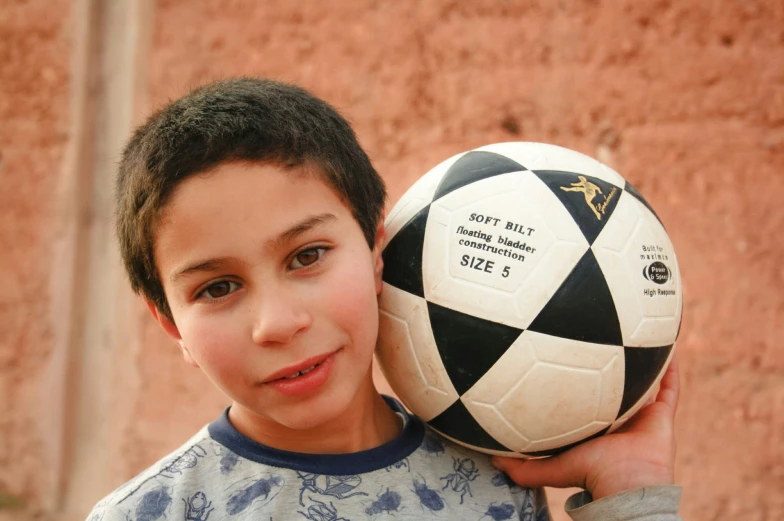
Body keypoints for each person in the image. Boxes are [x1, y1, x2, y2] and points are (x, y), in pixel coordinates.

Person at [88, 77, 682, 521]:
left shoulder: (496, 479)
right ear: (170, 324)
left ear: (377, 252)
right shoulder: (150, 513)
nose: (278, 323)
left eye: (307, 256)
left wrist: (631, 491)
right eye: (217, 288)